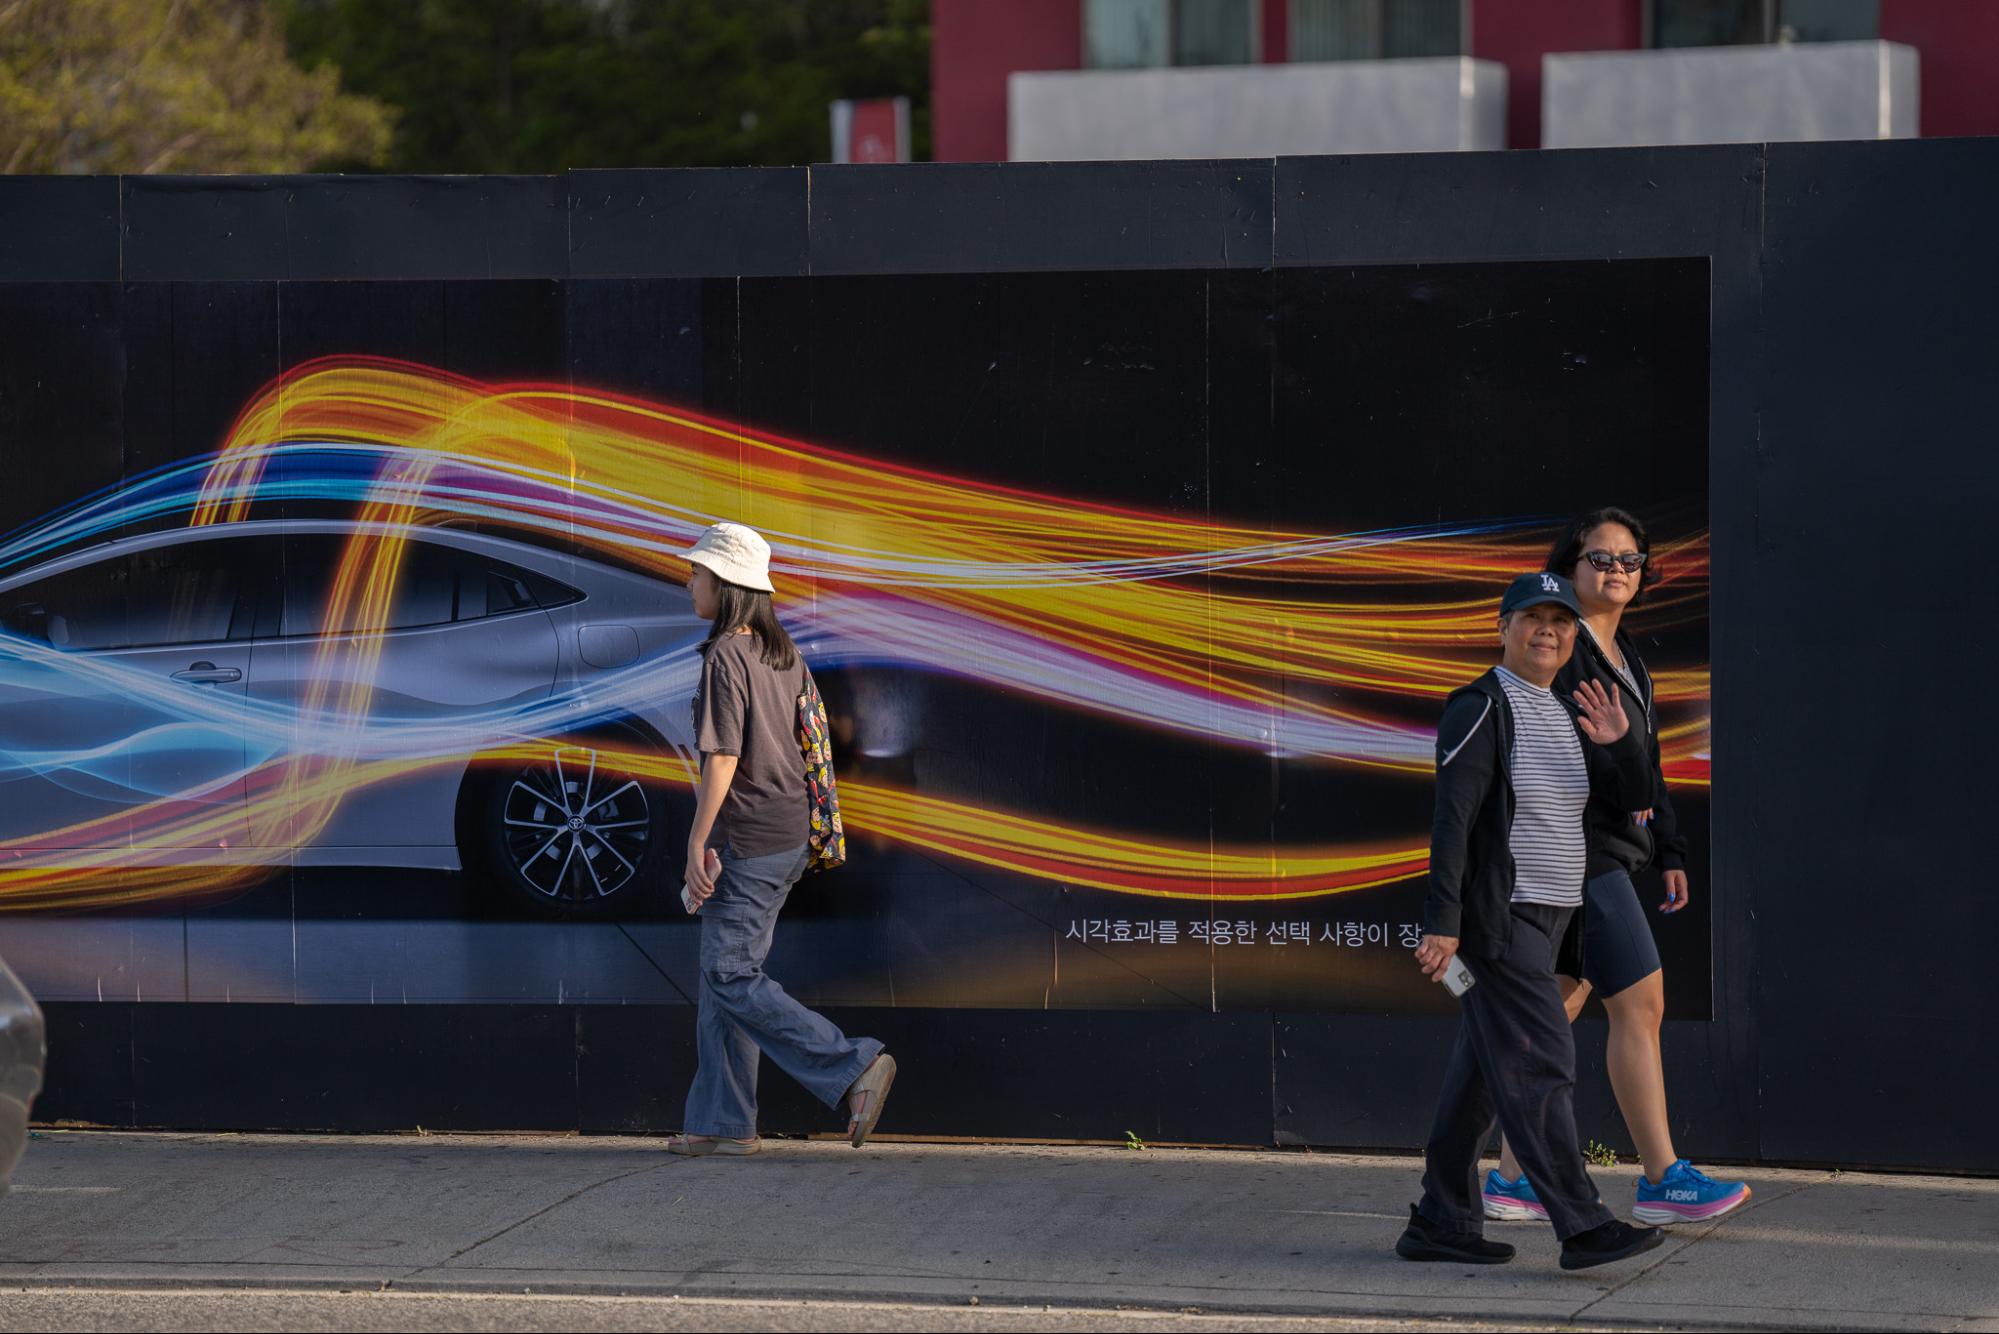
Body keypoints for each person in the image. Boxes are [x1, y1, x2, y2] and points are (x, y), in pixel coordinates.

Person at [1483, 510, 1749, 1226]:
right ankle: (1661, 1177)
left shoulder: (1623, 650)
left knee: (1556, 1010)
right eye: (1601, 560)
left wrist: (1667, 847)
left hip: (1610, 852)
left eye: (1630, 562)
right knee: (1640, 1002)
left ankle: (1511, 1179)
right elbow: (1573, 764)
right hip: (1573, 854)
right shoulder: (1559, 652)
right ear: (1570, 566)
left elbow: (1644, 759)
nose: (1617, 573)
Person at [1396, 571, 1664, 1271]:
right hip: (1500, 921)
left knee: (1483, 1074)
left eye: (1560, 621)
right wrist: (1442, 922)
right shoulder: (1480, 706)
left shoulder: (1568, 713)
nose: (1547, 630)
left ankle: (1439, 1219)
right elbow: (1452, 820)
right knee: (1541, 1062)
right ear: (1502, 627)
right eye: (1532, 618)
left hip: (1557, 918)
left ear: (1573, 635)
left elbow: (1634, 804)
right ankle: (1581, 1224)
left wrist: (1623, 743)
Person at [666, 521, 896, 1157]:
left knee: (729, 971)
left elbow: (722, 760)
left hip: (750, 838)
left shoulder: (726, 658)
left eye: (698, 574)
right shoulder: (780, 653)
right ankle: (721, 1122)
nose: (690, 582)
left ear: (727, 585)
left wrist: (695, 845)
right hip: (787, 833)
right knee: (724, 978)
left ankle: (853, 1065)